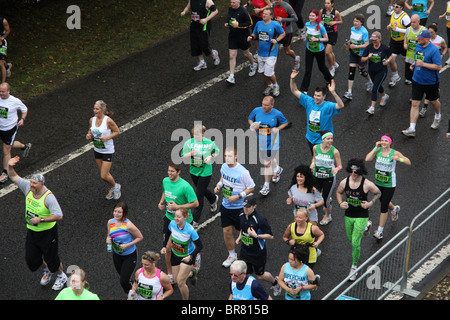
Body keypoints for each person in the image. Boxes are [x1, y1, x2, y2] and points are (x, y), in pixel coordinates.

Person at [7, 156, 68, 290]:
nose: (31, 184)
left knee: (52, 258)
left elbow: (59, 215)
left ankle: (61, 275)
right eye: (31, 182)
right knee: (32, 259)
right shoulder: (28, 188)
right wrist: (10, 166)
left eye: (34, 183)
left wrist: (40, 219)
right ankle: (46, 270)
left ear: (42, 184)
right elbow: (13, 177)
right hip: (32, 231)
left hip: (48, 233)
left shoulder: (48, 197)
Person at [335, 158, 381, 281]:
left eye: (356, 172)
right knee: (350, 239)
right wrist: (340, 203)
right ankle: (367, 226)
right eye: (351, 171)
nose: (353, 174)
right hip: (349, 214)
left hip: (361, 215)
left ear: (361, 172)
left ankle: (354, 267)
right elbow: (338, 192)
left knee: (355, 243)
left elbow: (378, 193)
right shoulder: (345, 182)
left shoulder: (367, 184)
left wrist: (370, 203)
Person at [214, 146, 255, 268]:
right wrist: (219, 185)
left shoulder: (243, 172)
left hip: (239, 208)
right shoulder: (224, 167)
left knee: (241, 233)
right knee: (226, 231)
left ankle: (249, 254)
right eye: (226, 156)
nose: (227, 158)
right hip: (226, 206)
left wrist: (238, 196)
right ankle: (232, 255)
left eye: (230, 156)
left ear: (236, 156)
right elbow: (223, 178)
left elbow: (251, 187)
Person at [158, 162, 199, 282]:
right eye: (168, 171)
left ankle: (194, 261)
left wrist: (177, 207)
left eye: (172, 171)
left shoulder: (185, 186)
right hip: (169, 219)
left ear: (179, 172)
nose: (169, 173)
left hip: (184, 221)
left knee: (185, 247)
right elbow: (165, 192)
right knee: (167, 247)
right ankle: (170, 274)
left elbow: (195, 203)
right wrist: (161, 202)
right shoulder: (165, 181)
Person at [365, 134, 411, 240]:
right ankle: (394, 209)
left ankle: (379, 231)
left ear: (390, 142)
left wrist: (399, 159)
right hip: (378, 182)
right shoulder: (378, 150)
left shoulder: (395, 153)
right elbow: (367, 159)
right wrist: (375, 147)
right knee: (383, 201)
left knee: (383, 206)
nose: (383, 143)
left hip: (389, 184)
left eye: (386, 141)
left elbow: (408, 162)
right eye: (382, 141)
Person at [236, 195, 281, 296]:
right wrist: (240, 237)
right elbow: (243, 228)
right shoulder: (241, 214)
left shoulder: (260, 219)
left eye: (248, 207)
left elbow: (270, 236)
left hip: (257, 253)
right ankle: (246, 294)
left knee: (259, 275)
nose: (245, 208)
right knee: (244, 273)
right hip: (245, 251)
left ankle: (275, 283)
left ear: (254, 206)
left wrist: (256, 235)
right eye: (244, 206)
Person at [290, 71, 344, 154]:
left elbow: (340, 105)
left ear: (324, 96)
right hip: (310, 139)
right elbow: (294, 91)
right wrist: (292, 79)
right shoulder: (309, 101)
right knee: (314, 160)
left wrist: (333, 92)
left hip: (323, 140)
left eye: (318, 96)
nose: (316, 97)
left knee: (323, 162)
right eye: (315, 95)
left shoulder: (328, 106)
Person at [401, 29, 442, 137]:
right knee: (415, 103)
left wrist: (423, 64)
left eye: (421, 38)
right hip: (417, 80)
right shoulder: (418, 46)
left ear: (427, 39)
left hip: (431, 82)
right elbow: (418, 58)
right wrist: (414, 64)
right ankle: (412, 128)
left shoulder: (434, 50)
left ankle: (437, 116)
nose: (418, 40)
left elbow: (438, 66)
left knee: (433, 101)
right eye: (418, 38)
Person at [248, 96, 288, 196]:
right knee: (270, 160)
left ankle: (266, 186)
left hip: (273, 142)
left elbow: (285, 123)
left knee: (266, 163)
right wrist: (253, 125)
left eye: (266, 105)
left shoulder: (277, 113)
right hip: (262, 141)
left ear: (272, 105)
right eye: (263, 104)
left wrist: (278, 128)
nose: (264, 107)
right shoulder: (257, 110)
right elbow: (250, 119)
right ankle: (277, 169)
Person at [181, 123, 220, 227]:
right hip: (194, 171)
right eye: (194, 135)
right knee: (200, 189)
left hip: (206, 172)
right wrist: (190, 154)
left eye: (198, 135)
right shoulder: (189, 143)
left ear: (203, 133)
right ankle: (213, 199)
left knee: (198, 195)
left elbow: (217, 151)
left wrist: (211, 156)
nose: (195, 137)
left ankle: (195, 221)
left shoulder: (209, 143)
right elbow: (183, 155)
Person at [161, 208, 203, 300]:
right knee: (175, 280)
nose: (176, 218)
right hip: (175, 255)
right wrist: (164, 246)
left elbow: (200, 246)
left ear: (185, 217)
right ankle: (192, 273)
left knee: (180, 283)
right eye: (175, 216)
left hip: (187, 257)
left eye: (178, 217)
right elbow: (167, 234)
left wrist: (191, 256)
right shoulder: (172, 224)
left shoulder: (191, 230)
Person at [85, 100, 121, 200]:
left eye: (97, 109)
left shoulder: (108, 121)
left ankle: (116, 186)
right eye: (94, 108)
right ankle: (112, 188)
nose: (94, 110)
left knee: (103, 175)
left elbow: (117, 131)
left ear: (102, 110)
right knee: (105, 175)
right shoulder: (92, 120)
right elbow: (90, 130)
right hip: (97, 149)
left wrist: (107, 138)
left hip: (107, 151)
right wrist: (89, 135)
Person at [106, 201, 143, 294]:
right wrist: (108, 239)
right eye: (115, 211)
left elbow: (140, 237)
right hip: (117, 254)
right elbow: (109, 234)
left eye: (119, 212)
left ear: (124, 213)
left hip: (129, 255)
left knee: (123, 281)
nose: (116, 214)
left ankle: (134, 295)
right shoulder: (110, 222)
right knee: (124, 278)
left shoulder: (128, 225)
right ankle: (134, 291)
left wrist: (127, 245)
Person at [248, 8, 285, 97]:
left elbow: (283, 33)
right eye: (263, 13)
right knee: (262, 72)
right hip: (261, 52)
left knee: (269, 72)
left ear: (271, 16)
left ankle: (276, 85)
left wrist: (277, 40)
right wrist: (251, 37)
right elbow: (255, 34)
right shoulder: (258, 23)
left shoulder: (275, 25)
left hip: (271, 53)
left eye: (266, 14)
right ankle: (270, 85)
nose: (263, 15)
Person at [0, 82, 31, 183]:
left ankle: (5, 173)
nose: (1, 93)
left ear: (8, 91)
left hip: (9, 129)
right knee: (10, 144)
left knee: (6, 150)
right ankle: (24, 147)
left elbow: (24, 109)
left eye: (3, 91)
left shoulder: (15, 101)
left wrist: (22, 119)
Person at [311, 130, 342, 225]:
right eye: (328, 139)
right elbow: (314, 158)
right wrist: (312, 164)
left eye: (331, 138)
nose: (330, 140)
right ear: (323, 139)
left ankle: (328, 216)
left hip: (329, 177)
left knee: (326, 199)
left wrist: (337, 169)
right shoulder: (316, 147)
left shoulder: (335, 151)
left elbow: (340, 165)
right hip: (317, 176)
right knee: (314, 195)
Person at [299, 9, 333, 94]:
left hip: (319, 50)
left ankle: (329, 79)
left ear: (317, 17)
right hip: (309, 49)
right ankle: (304, 89)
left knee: (321, 67)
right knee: (308, 70)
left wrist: (317, 39)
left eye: (313, 16)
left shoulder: (320, 26)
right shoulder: (307, 24)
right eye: (310, 15)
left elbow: (326, 38)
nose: (311, 17)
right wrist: (304, 36)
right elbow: (307, 32)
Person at [225, 0, 258, 85]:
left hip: (243, 36)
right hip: (232, 36)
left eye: (233, 3)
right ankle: (231, 76)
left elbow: (250, 23)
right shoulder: (230, 9)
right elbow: (230, 18)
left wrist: (239, 25)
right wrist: (227, 23)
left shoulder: (243, 11)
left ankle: (253, 64)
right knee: (232, 55)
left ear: (238, 2)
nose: (231, 4)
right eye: (231, 2)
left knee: (246, 54)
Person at [181, 0, 220, 71]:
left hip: (204, 27)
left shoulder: (207, 1)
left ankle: (214, 53)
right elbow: (187, 7)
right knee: (195, 45)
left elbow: (215, 11)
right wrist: (184, 11)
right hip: (194, 25)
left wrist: (206, 19)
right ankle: (202, 62)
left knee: (205, 46)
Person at [361, 31, 392, 115]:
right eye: (372, 40)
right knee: (377, 85)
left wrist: (388, 61)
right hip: (371, 71)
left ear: (380, 39)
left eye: (375, 40)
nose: (374, 41)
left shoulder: (384, 48)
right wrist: (368, 57)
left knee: (375, 88)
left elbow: (390, 55)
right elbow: (362, 59)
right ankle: (384, 96)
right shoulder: (369, 48)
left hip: (382, 71)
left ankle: (372, 107)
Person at [420, 22, 447, 117]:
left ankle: (424, 107)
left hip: (434, 65)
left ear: (435, 32)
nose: (430, 34)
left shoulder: (440, 40)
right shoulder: (426, 40)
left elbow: (445, 48)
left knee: (430, 86)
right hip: (426, 64)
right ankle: (427, 103)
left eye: (431, 32)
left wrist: (442, 55)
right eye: (428, 32)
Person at [342, 13, 372, 100]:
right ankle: (349, 92)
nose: (355, 23)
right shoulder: (352, 29)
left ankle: (370, 81)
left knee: (361, 70)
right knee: (351, 71)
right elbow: (352, 38)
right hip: (353, 53)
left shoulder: (364, 32)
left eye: (357, 21)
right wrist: (348, 43)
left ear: (361, 22)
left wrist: (356, 46)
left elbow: (367, 44)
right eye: (354, 21)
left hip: (361, 54)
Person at [386, 1, 411, 88]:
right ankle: (395, 76)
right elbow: (392, 23)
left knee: (405, 60)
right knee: (391, 59)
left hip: (403, 42)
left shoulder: (405, 18)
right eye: (394, 6)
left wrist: (398, 29)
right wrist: (389, 25)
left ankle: (409, 76)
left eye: (396, 6)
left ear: (401, 8)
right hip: (393, 41)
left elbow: (409, 30)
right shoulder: (393, 13)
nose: (394, 7)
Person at [272, 0, 301, 71]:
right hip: (277, 32)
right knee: (274, 53)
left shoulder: (287, 7)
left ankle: (296, 58)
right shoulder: (273, 5)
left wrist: (283, 19)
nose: (275, 2)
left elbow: (295, 19)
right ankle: (272, 74)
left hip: (287, 32)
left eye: (277, 0)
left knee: (287, 51)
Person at [319, 0, 343, 76]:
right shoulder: (321, 11)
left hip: (332, 34)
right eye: (325, 3)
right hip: (324, 34)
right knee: (330, 51)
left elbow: (340, 21)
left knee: (327, 52)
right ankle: (334, 62)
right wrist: (320, 22)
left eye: (328, 3)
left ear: (332, 4)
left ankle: (331, 67)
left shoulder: (336, 12)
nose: (326, 5)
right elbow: (319, 20)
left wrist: (334, 22)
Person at [404, 14, 425, 85]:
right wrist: (405, 44)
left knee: (418, 77)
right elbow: (405, 39)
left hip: (418, 58)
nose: (412, 24)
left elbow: (427, 43)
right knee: (407, 76)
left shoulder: (423, 30)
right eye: (411, 22)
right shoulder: (408, 30)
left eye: (414, 22)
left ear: (418, 21)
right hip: (409, 56)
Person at [0, 15, 11, 81]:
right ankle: (7, 66)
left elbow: (7, 30)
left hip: (2, 43)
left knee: (1, 62)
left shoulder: (3, 21)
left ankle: (3, 83)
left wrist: (2, 38)